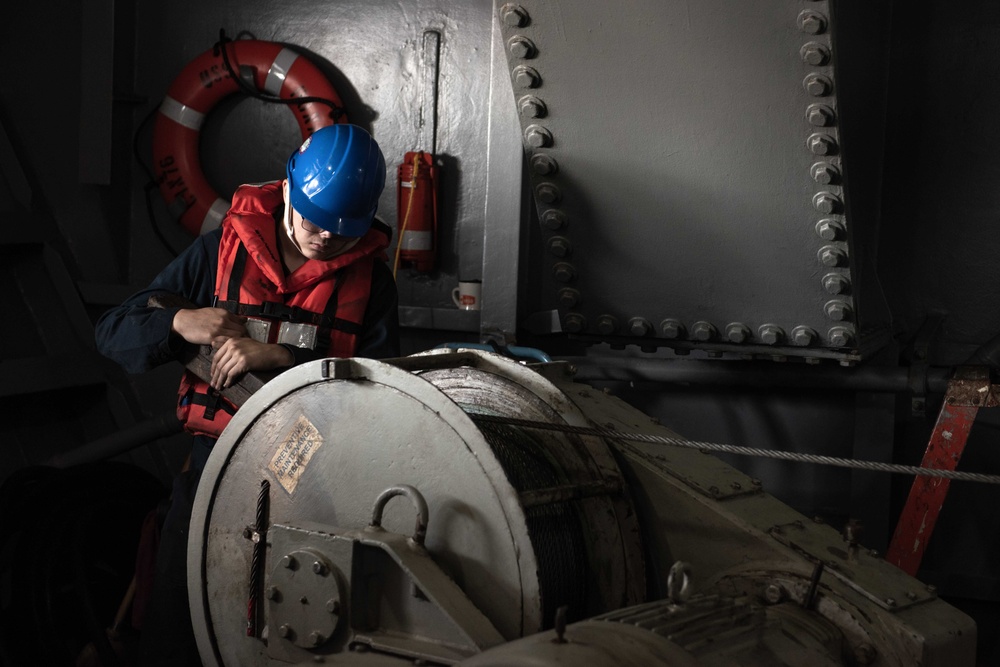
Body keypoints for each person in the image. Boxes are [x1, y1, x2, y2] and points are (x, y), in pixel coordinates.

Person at [95, 123, 399, 666]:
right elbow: (112, 332)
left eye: (341, 232)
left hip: (317, 484)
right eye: (314, 222)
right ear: (288, 189)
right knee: (174, 636)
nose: (325, 239)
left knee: (294, 640)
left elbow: (383, 399)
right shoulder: (218, 252)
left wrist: (284, 358)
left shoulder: (374, 286)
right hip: (211, 470)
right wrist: (181, 322)